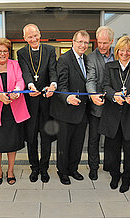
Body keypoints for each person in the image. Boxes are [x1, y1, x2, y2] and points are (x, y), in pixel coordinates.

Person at [98, 36, 130, 193]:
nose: (125, 53)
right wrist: (113, 96)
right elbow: (105, 85)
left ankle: (127, 179)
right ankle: (115, 176)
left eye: (128, 50)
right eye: (122, 50)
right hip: (112, 115)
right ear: (117, 50)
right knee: (113, 150)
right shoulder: (110, 66)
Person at [0, 38, 30, 186]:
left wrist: (17, 91)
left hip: (13, 111)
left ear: (9, 53)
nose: (2, 54)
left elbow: (20, 81)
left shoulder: (15, 65)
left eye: (5, 51)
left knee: (12, 143)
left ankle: (10, 170)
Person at [17, 24, 57, 183]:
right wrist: (29, 85)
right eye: (30, 37)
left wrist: (53, 84)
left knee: (46, 137)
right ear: (25, 38)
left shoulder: (49, 50)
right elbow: (25, 72)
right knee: (31, 138)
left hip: (47, 101)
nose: (33, 39)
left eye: (35, 35)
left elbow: (53, 70)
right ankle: (34, 168)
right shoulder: (21, 53)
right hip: (30, 102)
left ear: (40, 34)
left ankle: (44, 168)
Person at [50, 30, 90, 185]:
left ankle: (73, 169)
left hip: (82, 110)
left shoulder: (86, 59)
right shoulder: (64, 60)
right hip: (65, 111)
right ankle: (63, 172)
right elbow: (61, 84)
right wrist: (67, 97)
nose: (83, 45)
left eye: (85, 42)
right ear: (73, 42)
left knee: (77, 143)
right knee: (64, 144)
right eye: (80, 41)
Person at [86, 26, 115, 180]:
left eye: (105, 43)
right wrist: (92, 95)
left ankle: (109, 165)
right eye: (99, 42)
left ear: (111, 41)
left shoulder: (119, 53)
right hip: (97, 105)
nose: (102, 46)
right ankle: (93, 167)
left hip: (114, 105)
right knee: (94, 138)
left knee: (111, 137)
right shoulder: (91, 58)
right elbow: (90, 79)